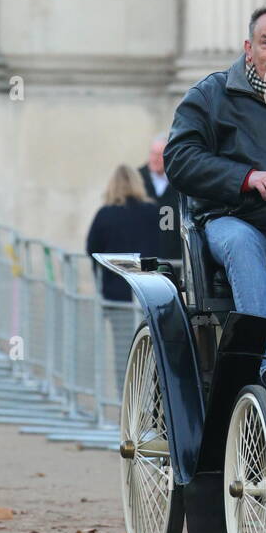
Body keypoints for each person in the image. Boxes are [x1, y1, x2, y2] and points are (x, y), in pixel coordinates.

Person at [164, 2, 266, 400]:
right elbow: (179, 159)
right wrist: (247, 178)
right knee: (241, 242)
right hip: (229, 219)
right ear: (248, 46)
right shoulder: (209, 95)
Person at [86, 165, 161, 395]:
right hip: (149, 290)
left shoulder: (105, 214)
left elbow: (92, 249)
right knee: (153, 349)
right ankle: (154, 400)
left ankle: (126, 397)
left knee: (123, 350)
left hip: (117, 292)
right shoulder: (152, 212)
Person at [138, 133, 181, 262]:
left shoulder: (179, 180)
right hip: (143, 255)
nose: (155, 159)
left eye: (159, 155)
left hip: (173, 257)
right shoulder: (138, 180)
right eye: (153, 154)